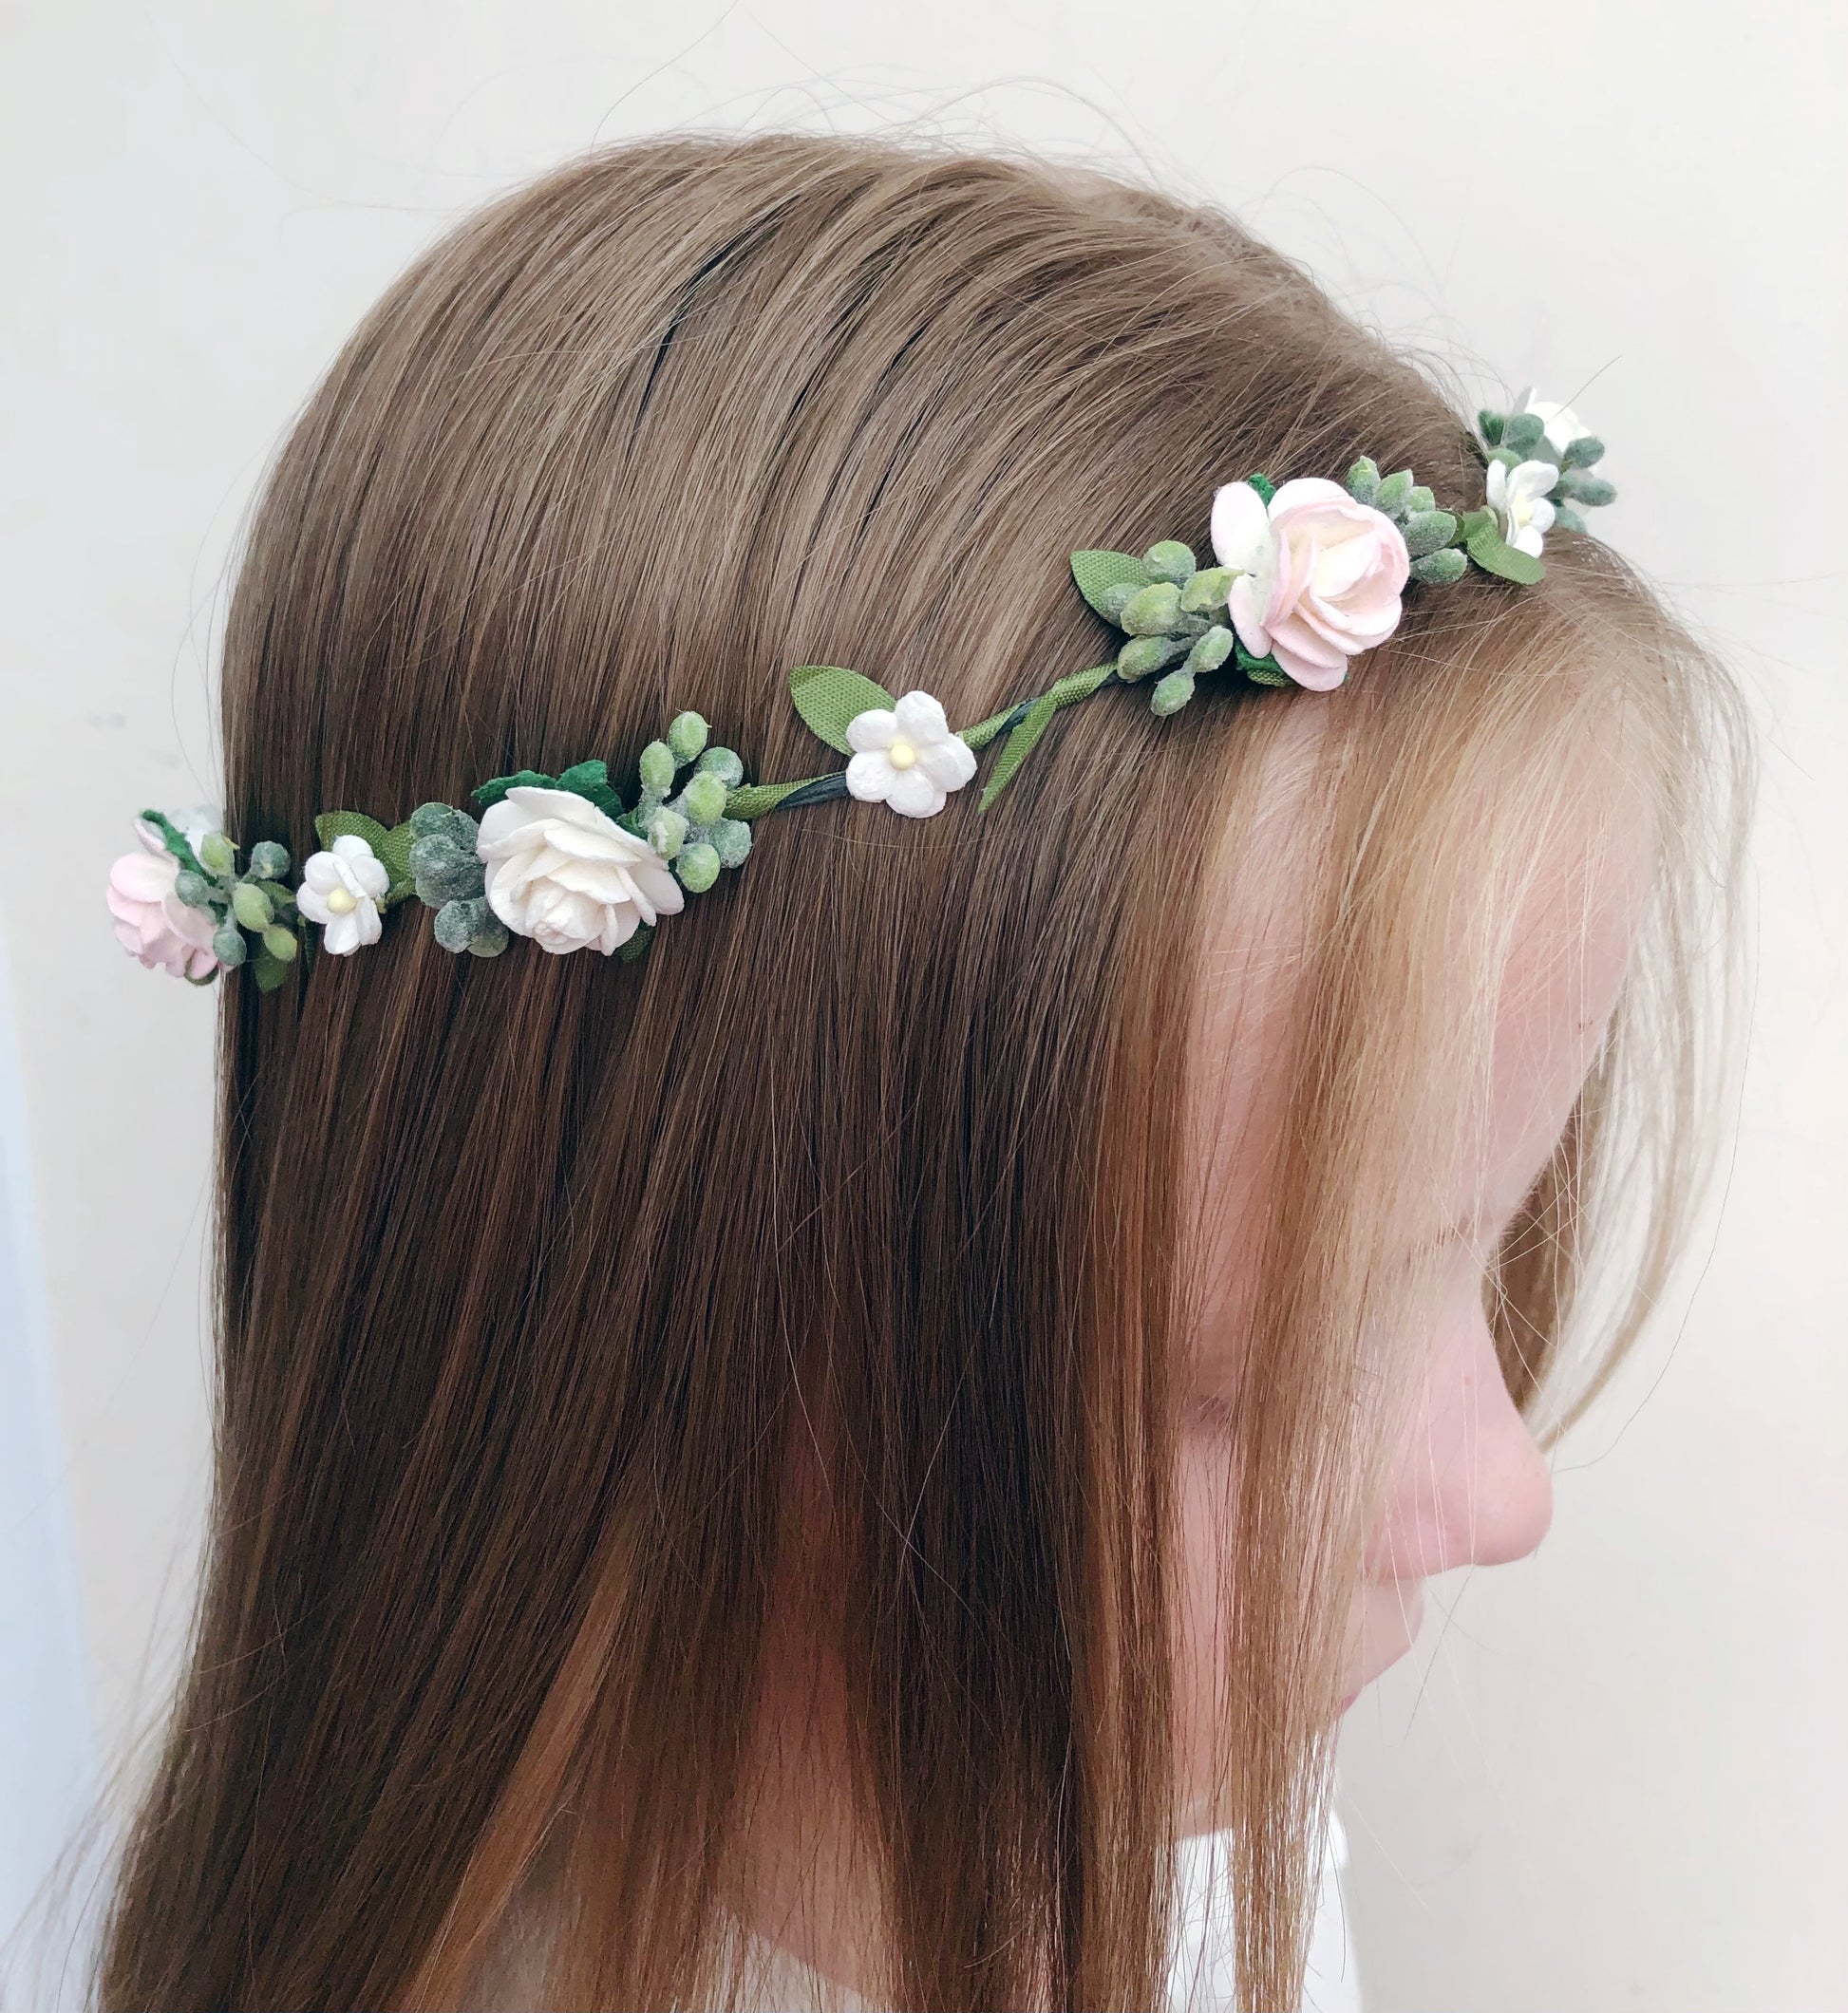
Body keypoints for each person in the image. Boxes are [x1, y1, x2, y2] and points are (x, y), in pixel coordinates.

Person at [94, 131, 1751, 2012]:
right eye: (1274, 1363)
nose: (1501, 1486)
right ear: (631, 1365)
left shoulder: (1197, 1877)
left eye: (1485, 1239)